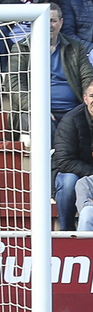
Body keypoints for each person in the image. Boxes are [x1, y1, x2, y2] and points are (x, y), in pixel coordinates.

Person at [6, 2, 93, 140]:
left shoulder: (75, 47)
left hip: (73, 110)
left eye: (53, 21)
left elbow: (87, 77)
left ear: (61, 22)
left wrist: (88, 101)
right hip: (35, 110)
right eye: (44, 21)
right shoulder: (22, 48)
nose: (48, 25)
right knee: (45, 127)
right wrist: (35, 107)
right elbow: (13, 83)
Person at [52, 80, 93, 229]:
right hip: (72, 172)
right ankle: (67, 230)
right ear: (85, 98)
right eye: (92, 95)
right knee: (69, 182)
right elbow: (63, 161)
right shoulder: (71, 120)